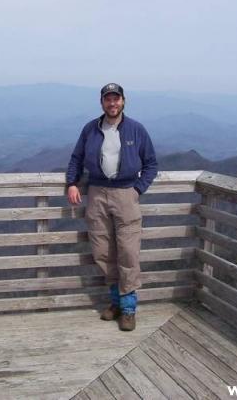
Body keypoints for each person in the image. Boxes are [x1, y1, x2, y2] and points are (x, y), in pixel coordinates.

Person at [66, 82, 158, 331]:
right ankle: (115, 302)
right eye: (108, 99)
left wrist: (137, 189)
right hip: (96, 193)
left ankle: (128, 309)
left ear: (123, 101)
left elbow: (151, 163)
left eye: (116, 99)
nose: (112, 103)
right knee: (102, 250)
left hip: (126, 194)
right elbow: (76, 158)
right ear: (102, 102)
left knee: (128, 252)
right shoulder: (90, 129)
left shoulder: (136, 130)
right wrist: (72, 183)